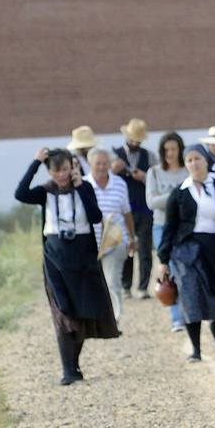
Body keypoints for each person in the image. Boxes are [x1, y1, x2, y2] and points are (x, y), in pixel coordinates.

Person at [15, 147, 120, 385]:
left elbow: (95, 216)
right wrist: (35, 163)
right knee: (63, 312)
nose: (61, 175)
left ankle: (74, 365)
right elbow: (20, 194)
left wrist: (81, 185)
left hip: (83, 257)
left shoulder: (84, 188)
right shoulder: (45, 192)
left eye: (64, 169)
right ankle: (67, 370)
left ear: (72, 168)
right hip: (56, 258)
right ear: (49, 171)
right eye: (55, 170)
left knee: (82, 311)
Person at [159, 143, 215, 362]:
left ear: (206, 161)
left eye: (197, 159)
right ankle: (196, 349)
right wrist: (163, 260)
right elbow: (169, 228)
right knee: (190, 297)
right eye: (189, 160)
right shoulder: (179, 194)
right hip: (186, 252)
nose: (193, 164)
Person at [87, 146, 136, 321]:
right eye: (98, 163)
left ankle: (114, 318)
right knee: (93, 282)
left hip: (115, 240)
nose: (101, 167)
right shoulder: (84, 186)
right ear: (90, 164)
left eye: (105, 163)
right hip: (90, 241)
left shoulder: (119, 184)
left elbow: (127, 212)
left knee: (112, 281)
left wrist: (132, 237)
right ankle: (95, 317)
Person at [147, 131, 189, 332]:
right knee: (168, 268)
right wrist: (175, 197)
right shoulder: (154, 173)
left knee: (185, 268)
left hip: (184, 226)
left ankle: (189, 310)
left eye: (174, 149)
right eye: (167, 150)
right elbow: (151, 202)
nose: (170, 153)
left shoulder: (187, 171)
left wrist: (167, 198)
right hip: (162, 225)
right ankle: (177, 317)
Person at [113, 118, 158, 299]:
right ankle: (126, 286)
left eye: (138, 141)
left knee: (145, 249)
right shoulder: (114, 155)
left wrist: (144, 177)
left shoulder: (150, 156)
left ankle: (143, 287)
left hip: (145, 209)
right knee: (126, 248)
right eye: (132, 140)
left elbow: (157, 180)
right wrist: (114, 170)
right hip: (123, 210)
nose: (135, 144)